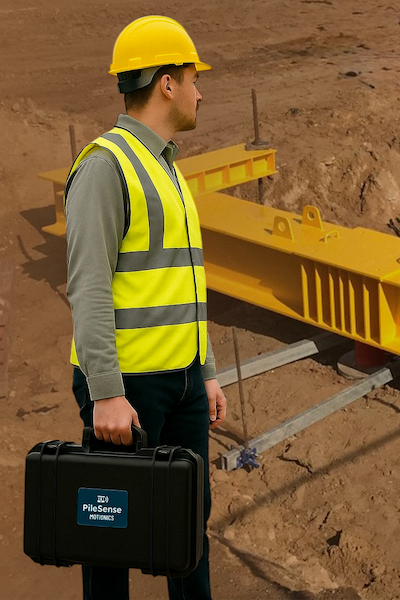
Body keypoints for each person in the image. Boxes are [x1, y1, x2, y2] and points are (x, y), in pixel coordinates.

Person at [64, 15, 226, 600]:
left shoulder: (166, 167)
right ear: (166, 83)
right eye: (193, 79)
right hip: (127, 389)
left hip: (181, 381)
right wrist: (106, 392)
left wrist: (205, 371)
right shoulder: (105, 166)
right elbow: (88, 287)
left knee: (187, 527)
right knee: (111, 539)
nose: (199, 92)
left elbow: (184, 283)